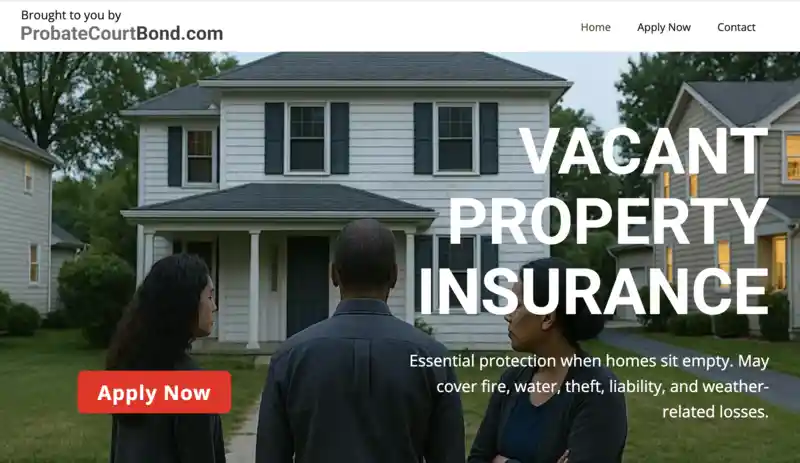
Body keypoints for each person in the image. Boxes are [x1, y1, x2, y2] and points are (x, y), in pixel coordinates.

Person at [255, 219, 465, 463]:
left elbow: (270, 455)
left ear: (334, 274)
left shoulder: (289, 358)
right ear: (394, 276)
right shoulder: (433, 358)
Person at [468, 257, 627, 463]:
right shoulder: (512, 380)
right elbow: (478, 458)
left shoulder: (599, 391)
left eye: (518, 305)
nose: (508, 315)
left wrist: (504, 462)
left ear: (547, 318)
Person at [106, 253, 225, 463]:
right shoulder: (193, 387)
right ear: (186, 303)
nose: (214, 306)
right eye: (209, 296)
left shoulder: (129, 369)